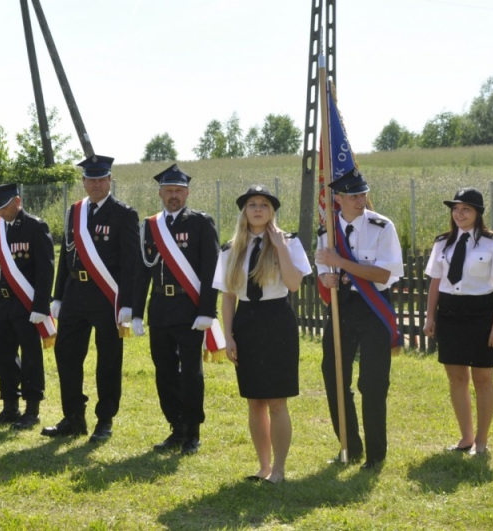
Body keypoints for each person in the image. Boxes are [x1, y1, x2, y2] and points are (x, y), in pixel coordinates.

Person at [212, 185, 311, 483]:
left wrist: (279, 247)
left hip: (277, 320)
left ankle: (279, 469)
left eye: (264, 204)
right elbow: (228, 297)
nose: (258, 209)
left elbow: (294, 285)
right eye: (252, 204)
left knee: (277, 401)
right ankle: (264, 467)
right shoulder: (230, 249)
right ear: (244, 211)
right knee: (254, 401)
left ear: (272, 211)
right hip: (246, 324)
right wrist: (228, 337)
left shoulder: (290, 242)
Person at [42, 155, 139, 443]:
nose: (96, 184)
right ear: (83, 182)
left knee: (108, 360)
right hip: (75, 293)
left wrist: (128, 304)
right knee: (66, 356)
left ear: (110, 180)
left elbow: (131, 263)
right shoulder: (75, 211)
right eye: (91, 179)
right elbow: (66, 255)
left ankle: (104, 420)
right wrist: (58, 296)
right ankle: (73, 417)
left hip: (106, 297)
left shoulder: (124, 214)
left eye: (101, 179)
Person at [315, 168, 403, 470]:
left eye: (362, 193)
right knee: (334, 376)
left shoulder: (382, 227)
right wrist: (326, 277)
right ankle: (349, 447)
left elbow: (383, 274)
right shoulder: (327, 232)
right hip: (342, 307)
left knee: (373, 382)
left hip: (373, 307)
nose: (359, 199)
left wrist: (341, 263)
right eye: (352, 195)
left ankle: (375, 455)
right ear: (338, 199)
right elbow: (322, 268)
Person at [132, 164, 220, 455]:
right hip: (159, 308)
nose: (173, 196)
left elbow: (211, 270)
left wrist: (207, 311)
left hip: (189, 309)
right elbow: (142, 272)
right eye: (168, 190)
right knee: (165, 371)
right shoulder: (150, 225)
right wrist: (136, 312)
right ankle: (176, 427)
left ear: (187, 193)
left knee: (190, 373)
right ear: (160, 193)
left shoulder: (200, 223)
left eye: (179, 191)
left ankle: (192, 431)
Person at [423, 188, 493, 455]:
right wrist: (430, 316)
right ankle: (466, 438)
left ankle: (481, 441)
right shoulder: (442, 243)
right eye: (455, 209)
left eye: (466, 209)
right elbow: (435, 283)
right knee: (456, 378)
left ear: (478, 213)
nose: (459, 214)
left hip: (481, 313)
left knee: (483, 379)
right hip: (450, 313)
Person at [0, 183, 55, 430]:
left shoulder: (35, 226)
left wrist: (41, 306)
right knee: (4, 356)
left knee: (31, 357)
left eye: (4, 207)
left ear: (17, 202)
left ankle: (32, 409)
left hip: (26, 304)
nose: (0, 212)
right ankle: (10, 406)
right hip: (2, 302)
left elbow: (45, 269)